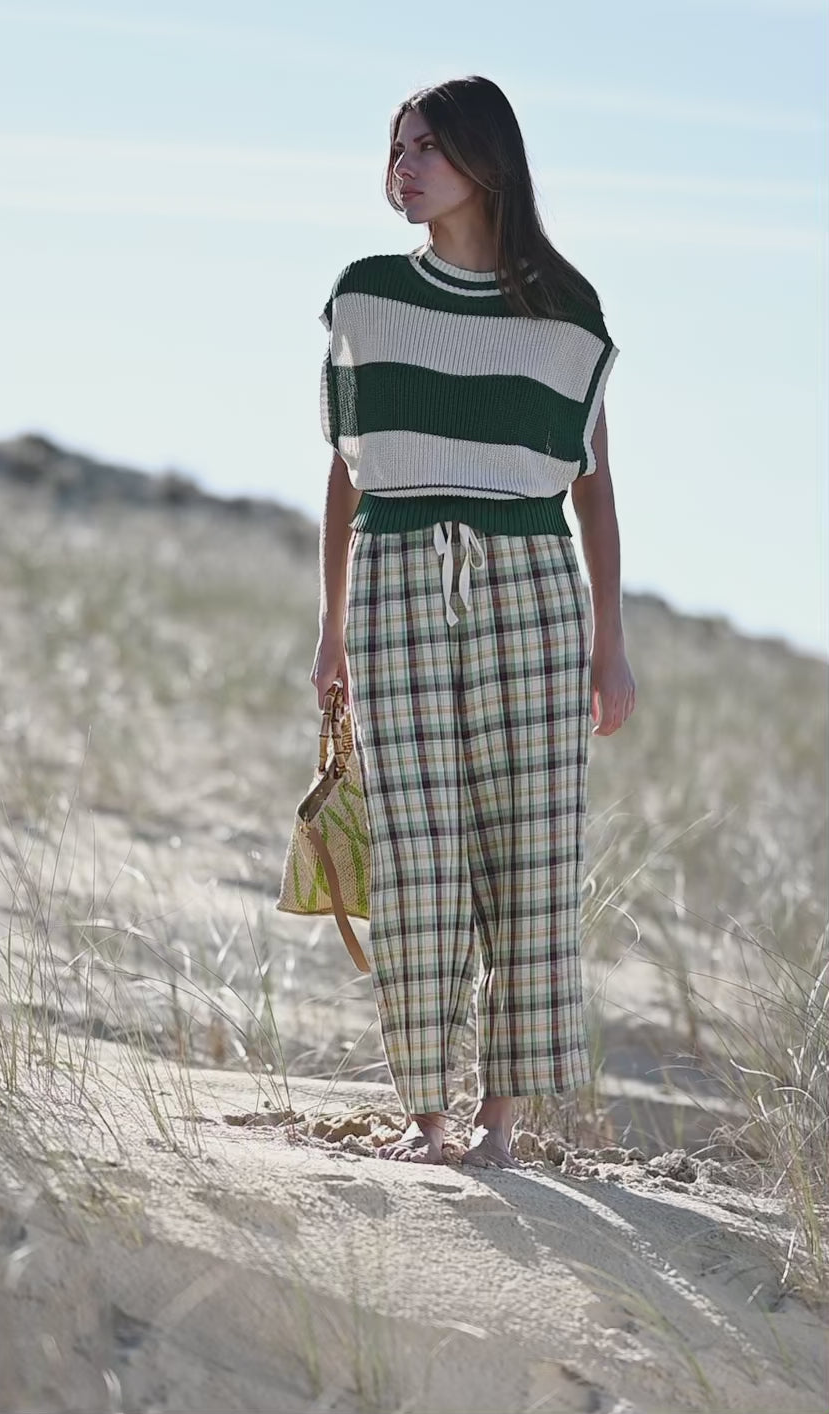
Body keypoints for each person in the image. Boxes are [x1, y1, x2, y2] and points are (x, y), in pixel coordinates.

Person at [311, 75, 635, 1168]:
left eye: (425, 150)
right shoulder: (366, 295)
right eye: (396, 149)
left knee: (533, 853)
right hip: (396, 578)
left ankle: (500, 1120)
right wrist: (330, 627)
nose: (401, 169)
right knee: (418, 854)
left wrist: (611, 643)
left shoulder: (567, 311)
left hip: (534, 587)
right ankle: (428, 1115)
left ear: (484, 161)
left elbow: (593, 487)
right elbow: (347, 474)